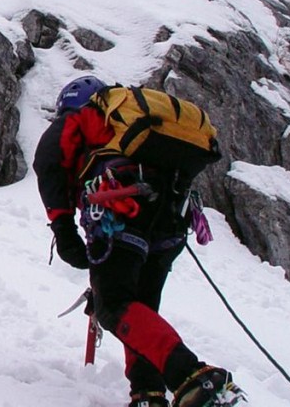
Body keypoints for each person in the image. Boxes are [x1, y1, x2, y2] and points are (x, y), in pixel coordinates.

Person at [33, 76, 243, 407]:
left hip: (122, 211)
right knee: (140, 309)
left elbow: (49, 164)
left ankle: (193, 376)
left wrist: (63, 229)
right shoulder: (135, 129)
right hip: (170, 220)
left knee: (114, 304)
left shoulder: (80, 117)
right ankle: (147, 394)